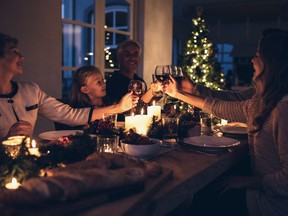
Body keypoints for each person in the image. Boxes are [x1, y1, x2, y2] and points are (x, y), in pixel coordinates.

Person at [164, 28, 288, 216]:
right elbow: (227, 102)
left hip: (274, 204)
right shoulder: (264, 98)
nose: (252, 60)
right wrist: (193, 89)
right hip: (266, 191)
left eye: (257, 55)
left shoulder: (283, 108)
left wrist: (247, 182)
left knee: (204, 198)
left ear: (271, 63)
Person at [0, 33, 138, 141]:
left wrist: (119, 108)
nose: (21, 57)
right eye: (14, 52)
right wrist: (6, 141)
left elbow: (71, 115)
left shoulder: (31, 91)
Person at [65, 65, 129, 133]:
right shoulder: (80, 111)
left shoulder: (109, 102)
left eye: (103, 80)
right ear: (85, 89)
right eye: (98, 82)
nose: (104, 84)